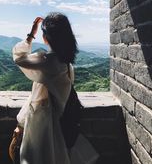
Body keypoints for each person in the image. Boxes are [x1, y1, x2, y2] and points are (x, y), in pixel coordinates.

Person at [11, 12, 99, 164]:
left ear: (46, 37)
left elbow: (19, 57)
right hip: (59, 123)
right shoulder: (66, 63)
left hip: (44, 128)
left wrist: (31, 34)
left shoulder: (48, 61)